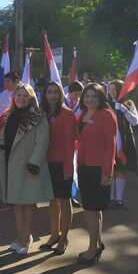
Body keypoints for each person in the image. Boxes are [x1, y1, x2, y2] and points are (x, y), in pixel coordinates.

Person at [0, 83, 52, 255]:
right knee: (17, 203)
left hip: (28, 166)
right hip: (11, 164)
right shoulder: (8, 115)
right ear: (14, 97)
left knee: (27, 203)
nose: (21, 98)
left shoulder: (38, 116)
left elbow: (42, 141)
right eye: (18, 95)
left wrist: (34, 163)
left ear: (31, 98)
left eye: (25, 96)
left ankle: (26, 238)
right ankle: (19, 237)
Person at [76, 82, 117, 265]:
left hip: (99, 169)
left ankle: (92, 249)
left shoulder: (107, 115)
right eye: (87, 96)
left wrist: (107, 172)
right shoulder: (83, 114)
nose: (90, 99)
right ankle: (98, 243)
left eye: (94, 96)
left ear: (100, 97)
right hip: (84, 167)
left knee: (92, 210)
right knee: (93, 209)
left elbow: (111, 147)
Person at [39, 82, 76, 255]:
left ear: (60, 94)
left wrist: (69, 168)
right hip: (47, 163)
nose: (52, 95)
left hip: (63, 163)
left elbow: (70, 144)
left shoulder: (68, 114)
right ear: (45, 95)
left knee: (64, 200)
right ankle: (54, 234)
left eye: (55, 92)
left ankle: (64, 238)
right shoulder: (42, 113)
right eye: (49, 92)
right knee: (52, 201)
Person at [108, 80, 138, 208]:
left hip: (124, 142)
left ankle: (119, 200)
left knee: (121, 170)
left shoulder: (128, 103)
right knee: (109, 171)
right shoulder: (106, 104)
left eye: (115, 89)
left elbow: (135, 121)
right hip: (109, 141)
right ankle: (108, 198)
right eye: (110, 89)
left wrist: (124, 110)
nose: (112, 92)